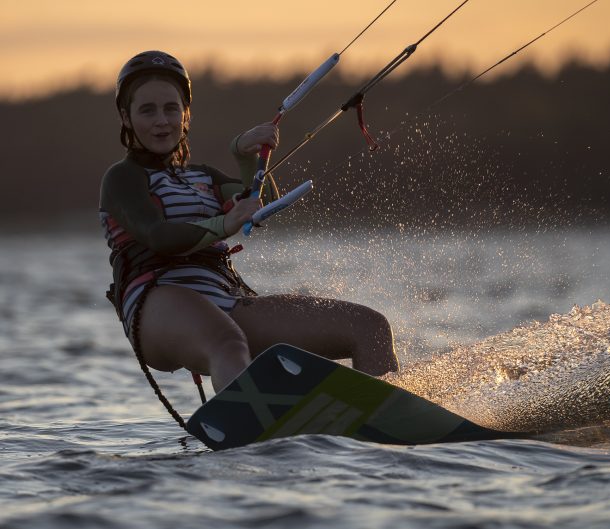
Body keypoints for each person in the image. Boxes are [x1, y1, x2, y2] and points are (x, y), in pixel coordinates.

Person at [99, 50, 399, 394]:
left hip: (223, 298)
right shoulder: (122, 178)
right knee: (228, 343)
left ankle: (386, 418)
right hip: (156, 303)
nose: (161, 120)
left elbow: (261, 203)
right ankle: (252, 423)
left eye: (171, 108)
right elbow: (158, 236)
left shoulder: (204, 178)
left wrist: (243, 155)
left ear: (186, 115)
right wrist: (225, 224)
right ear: (126, 116)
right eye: (147, 110)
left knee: (369, 327)